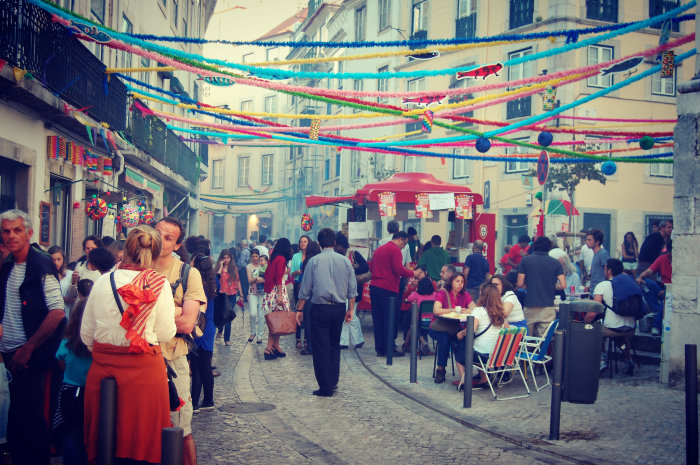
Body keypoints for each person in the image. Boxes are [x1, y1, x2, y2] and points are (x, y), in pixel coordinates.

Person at [81, 225, 176, 464]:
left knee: (105, 447)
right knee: (144, 446)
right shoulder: (160, 284)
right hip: (145, 373)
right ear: (155, 254)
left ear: (125, 249)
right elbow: (165, 333)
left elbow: (86, 334)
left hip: (103, 370)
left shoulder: (103, 281)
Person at [0, 210, 66, 465]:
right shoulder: (7, 264)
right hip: (8, 354)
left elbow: (57, 312)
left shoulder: (40, 264)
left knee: (31, 420)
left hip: (29, 356)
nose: (10, 236)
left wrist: (27, 349)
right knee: (15, 420)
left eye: (17, 230)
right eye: (6, 231)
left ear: (29, 233)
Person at [155, 217, 206, 465]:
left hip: (173, 358)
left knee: (180, 427)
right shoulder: (131, 267)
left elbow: (187, 323)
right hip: (139, 358)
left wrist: (142, 317)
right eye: (157, 233)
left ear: (177, 245)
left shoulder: (188, 273)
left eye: (168, 238)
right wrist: (172, 313)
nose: (160, 240)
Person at [296, 228, 357, 397]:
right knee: (334, 345)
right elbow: (352, 289)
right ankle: (333, 380)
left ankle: (325, 386)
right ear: (335, 243)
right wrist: (350, 309)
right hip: (339, 308)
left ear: (319, 242)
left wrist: (299, 309)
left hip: (320, 308)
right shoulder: (345, 262)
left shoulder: (313, 262)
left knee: (320, 347)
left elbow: (305, 289)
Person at [54, 280, 92, 465]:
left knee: (70, 435)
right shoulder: (98, 349)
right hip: (92, 395)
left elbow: (61, 361)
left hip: (69, 393)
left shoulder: (66, 343)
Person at [584, 259, 637, 375]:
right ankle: (629, 359)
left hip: (612, 329)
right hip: (630, 329)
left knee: (596, 329)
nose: (604, 270)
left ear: (609, 271)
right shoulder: (629, 284)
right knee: (619, 337)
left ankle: (602, 360)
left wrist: (584, 323)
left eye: (605, 268)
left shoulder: (602, 285)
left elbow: (593, 312)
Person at [369, 231, 417, 357]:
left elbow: (371, 268)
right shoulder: (395, 250)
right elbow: (399, 270)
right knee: (390, 319)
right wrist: (413, 273)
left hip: (375, 287)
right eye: (405, 243)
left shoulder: (378, 250)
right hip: (388, 288)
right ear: (400, 240)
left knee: (378, 319)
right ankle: (389, 348)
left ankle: (380, 348)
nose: (404, 247)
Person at [454, 283, 507, 390]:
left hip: (483, 356)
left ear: (483, 296)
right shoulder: (501, 313)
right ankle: (484, 379)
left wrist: (460, 334)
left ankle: (464, 381)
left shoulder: (478, 311)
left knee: (459, 347)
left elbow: (470, 330)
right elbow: (508, 330)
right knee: (478, 345)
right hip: (498, 355)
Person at [429, 273, 475, 384]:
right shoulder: (443, 292)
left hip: (455, 328)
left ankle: (464, 373)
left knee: (464, 340)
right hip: (439, 327)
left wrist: (468, 310)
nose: (460, 284)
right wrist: (452, 310)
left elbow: (474, 307)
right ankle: (440, 369)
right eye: (457, 281)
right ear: (451, 282)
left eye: (462, 282)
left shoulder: (464, 294)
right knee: (445, 338)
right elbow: (436, 310)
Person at [516, 236, 566, 337]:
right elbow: (563, 285)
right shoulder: (556, 263)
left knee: (526, 339)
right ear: (549, 248)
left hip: (530, 306)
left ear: (534, 246)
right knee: (543, 341)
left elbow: (520, 284)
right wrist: (551, 285)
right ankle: (541, 353)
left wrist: (530, 285)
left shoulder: (525, 261)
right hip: (548, 307)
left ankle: (528, 353)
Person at [190, 253, 217, 412]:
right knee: (205, 365)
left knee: (196, 364)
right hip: (210, 325)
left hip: (199, 324)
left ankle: (194, 403)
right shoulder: (214, 281)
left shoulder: (197, 284)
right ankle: (208, 400)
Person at [262, 238, 293, 360]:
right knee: (275, 320)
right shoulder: (281, 259)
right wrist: (280, 295)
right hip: (277, 291)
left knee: (277, 319)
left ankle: (276, 346)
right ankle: (269, 348)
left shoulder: (274, 257)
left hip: (271, 291)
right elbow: (279, 278)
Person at [336, 232, 367, 350]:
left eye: (338, 246)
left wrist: (352, 269)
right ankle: (346, 341)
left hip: (353, 290)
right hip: (341, 290)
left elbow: (366, 268)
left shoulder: (354, 254)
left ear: (343, 246)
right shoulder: (336, 256)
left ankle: (355, 340)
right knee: (345, 316)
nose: (336, 248)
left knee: (350, 315)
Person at [637, 241, 672, 336]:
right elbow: (649, 271)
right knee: (645, 283)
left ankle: (656, 325)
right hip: (662, 286)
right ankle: (656, 310)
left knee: (666, 298)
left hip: (672, 289)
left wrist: (665, 291)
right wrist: (640, 278)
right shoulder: (662, 258)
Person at [298, 241, 322, 355]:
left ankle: (310, 346)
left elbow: (306, 282)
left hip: (309, 295)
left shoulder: (308, 261)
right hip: (320, 294)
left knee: (308, 321)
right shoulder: (321, 260)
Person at [215, 249, 242, 346]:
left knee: (228, 316)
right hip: (221, 294)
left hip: (232, 294)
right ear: (221, 258)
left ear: (231, 258)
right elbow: (216, 278)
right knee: (222, 315)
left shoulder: (233, 268)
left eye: (228, 258)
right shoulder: (218, 267)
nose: (226, 260)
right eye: (224, 258)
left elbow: (238, 281)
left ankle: (227, 339)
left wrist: (241, 294)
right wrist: (221, 265)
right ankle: (220, 330)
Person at [406, 276, 438, 355]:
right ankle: (424, 343)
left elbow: (409, 298)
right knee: (417, 326)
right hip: (433, 321)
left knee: (414, 326)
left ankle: (423, 342)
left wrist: (416, 290)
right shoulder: (435, 295)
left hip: (420, 321)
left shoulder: (417, 294)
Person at [290, 235, 310, 350]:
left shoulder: (311, 256)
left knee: (307, 313)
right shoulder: (296, 256)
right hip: (298, 285)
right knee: (298, 311)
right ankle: (298, 338)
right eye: (301, 241)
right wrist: (297, 272)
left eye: (305, 241)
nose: (303, 243)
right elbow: (291, 273)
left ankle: (307, 338)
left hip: (309, 287)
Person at [48, 245, 77, 318]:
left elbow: (75, 297)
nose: (56, 262)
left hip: (67, 314)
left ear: (63, 259)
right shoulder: (46, 275)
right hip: (50, 315)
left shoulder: (70, 274)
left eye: (58, 259)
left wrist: (74, 282)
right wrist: (63, 298)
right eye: (53, 260)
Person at [246, 248, 265, 344]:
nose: (255, 258)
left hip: (263, 292)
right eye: (253, 256)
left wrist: (261, 280)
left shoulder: (264, 265)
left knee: (261, 315)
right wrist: (257, 278)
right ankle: (253, 332)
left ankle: (260, 335)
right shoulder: (249, 266)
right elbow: (249, 280)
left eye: (256, 256)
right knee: (253, 313)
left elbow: (267, 278)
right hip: (253, 292)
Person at [587, 229, 610, 293]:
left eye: (589, 240)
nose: (587, 242)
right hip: (593, 290)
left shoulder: (603, 254)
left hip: (600, 291)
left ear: (597, 242)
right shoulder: (596, 254)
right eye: (587, 240)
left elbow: (609, 272)